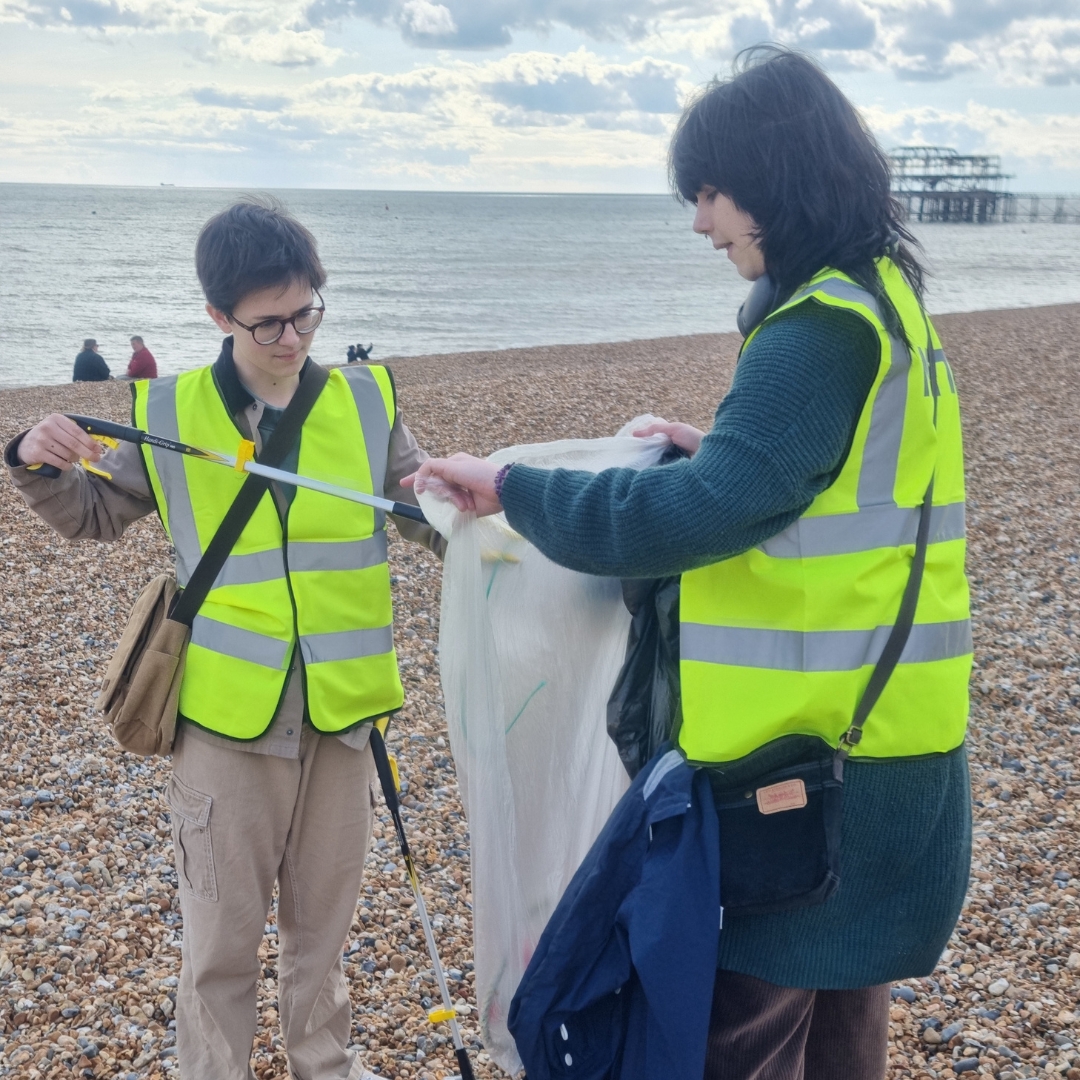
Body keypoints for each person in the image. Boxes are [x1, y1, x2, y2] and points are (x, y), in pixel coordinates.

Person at [405, 47, 971, 1080]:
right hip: (899, 750)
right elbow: (821, 489)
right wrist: (729, 450)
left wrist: (515, 488)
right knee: (844, 1040)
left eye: (711, 192)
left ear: (777, 177)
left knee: (736, 1043)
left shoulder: (817, 334)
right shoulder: (886, 303)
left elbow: (693, 518)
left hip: (805, 774)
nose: (701, 220)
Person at [8, 196, 443, 1080]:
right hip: (224, 724)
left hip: (344, 718)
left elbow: (428, 513)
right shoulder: (166, 411)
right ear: (218, 315)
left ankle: (327, 1064)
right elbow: (92, 515)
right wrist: (32, 456)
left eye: (307, 311)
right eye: (269, 321)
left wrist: (528, 513)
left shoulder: (367, 398)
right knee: (219, 945)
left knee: (323, 931)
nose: (292, 337)